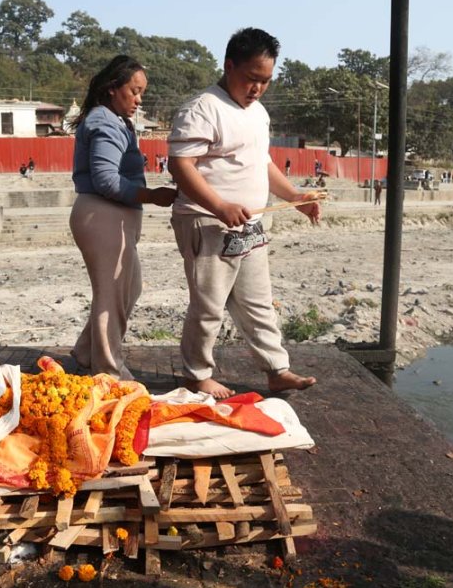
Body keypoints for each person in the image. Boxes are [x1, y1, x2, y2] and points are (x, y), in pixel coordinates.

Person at [168, 28, 319, 399]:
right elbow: (180, 165)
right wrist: (218, 205)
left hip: (250, 223)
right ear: (229, 65)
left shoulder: (258, 113)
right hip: (207, 222)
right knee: (209, 304)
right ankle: (196, 374)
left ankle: (276, 369)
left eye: (265, 81)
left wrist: (296, 196)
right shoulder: (202, 108)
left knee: (257, 300)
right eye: (252, 79)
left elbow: (261, 163)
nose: (257, 89)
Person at [69, 55, 177, 379]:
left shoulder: (112, 120)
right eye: (135, 91)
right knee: (112, 294)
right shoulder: (105, 121)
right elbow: (105, 178)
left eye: (141, 92)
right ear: (112, 88)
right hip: (103, 215)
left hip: (109, 216)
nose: (139, 100)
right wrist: (151, 196)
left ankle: (87, 352)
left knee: (129, 288)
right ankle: (108, 371)